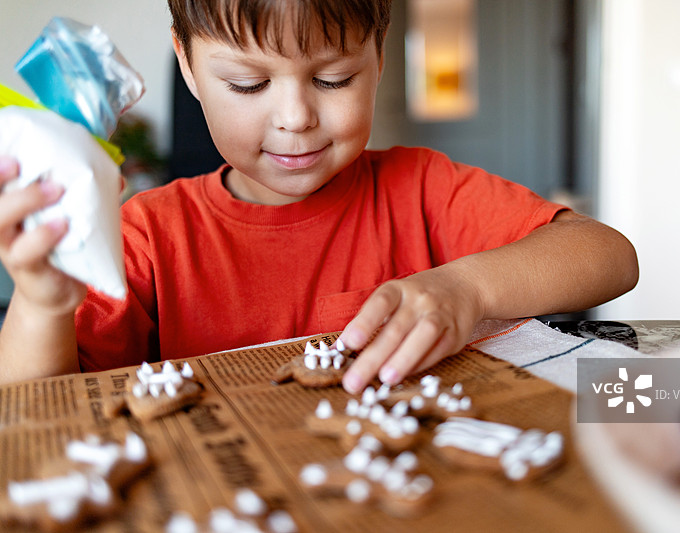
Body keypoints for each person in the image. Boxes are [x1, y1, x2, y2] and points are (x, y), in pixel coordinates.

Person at [0, 0, 638, 393]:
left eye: (334, 78)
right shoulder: (146, 237)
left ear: (378, 57)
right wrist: (40, 305)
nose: (296, 117)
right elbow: (39, 412)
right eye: (249, 85)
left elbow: (609, 255)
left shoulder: (419, 190)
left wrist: (468, 290)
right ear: (189, 66)